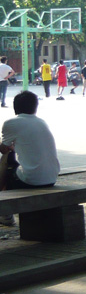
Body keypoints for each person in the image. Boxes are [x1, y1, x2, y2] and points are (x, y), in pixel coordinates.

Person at [0, 91, 60, 226]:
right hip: (51, 178)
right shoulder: (41, 122)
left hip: (31, 180)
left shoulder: (11, 123)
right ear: (35, 106)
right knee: (12, 158)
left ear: (15, 106)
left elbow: (3, 149)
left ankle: (5, 213)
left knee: (6, 159)